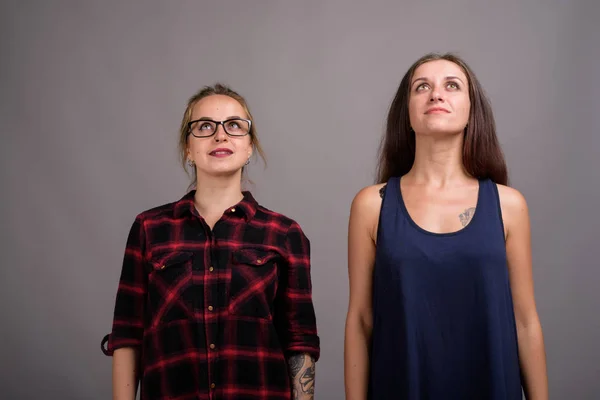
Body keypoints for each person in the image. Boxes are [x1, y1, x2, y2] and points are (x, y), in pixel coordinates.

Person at [344, 53, 548, 399]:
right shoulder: (372, 205)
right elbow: (361, 322)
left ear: (472, 110)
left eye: (452, 86)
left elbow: (525, 321)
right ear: (406, 113)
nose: (436, 94)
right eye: (421, 87)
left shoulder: (509, 205)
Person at [101, 84, 319, 400]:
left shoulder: (284, 233)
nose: (220, 136)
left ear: (249, 147)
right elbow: (128, 334)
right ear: (188, 149)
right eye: (205, 126)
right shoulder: (150, 228)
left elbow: (299, 341)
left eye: (234, 126)